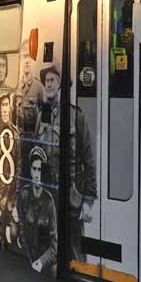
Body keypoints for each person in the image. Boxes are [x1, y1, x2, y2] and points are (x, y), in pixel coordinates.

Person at [35, 64, 96, 262]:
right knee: (48, 245)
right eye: (46, 81)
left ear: (62, 85)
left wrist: (88, 200)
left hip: (71, 194)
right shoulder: (41, 115)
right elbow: (34, 152)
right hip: (48, 194)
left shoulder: (76, 116)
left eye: (53, 80)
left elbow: (89, 159)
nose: (49, 84)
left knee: (75, 248)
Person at [15, 146, 57, 275]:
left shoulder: (49, 202)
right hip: (28, 255)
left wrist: (41, 262)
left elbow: (55, 244)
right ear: (31, 171)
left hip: (43, 258)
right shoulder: (24, 195)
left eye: (40, 170)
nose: (37, 174)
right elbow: (21, 229)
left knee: (55, 270)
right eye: (34, 169)